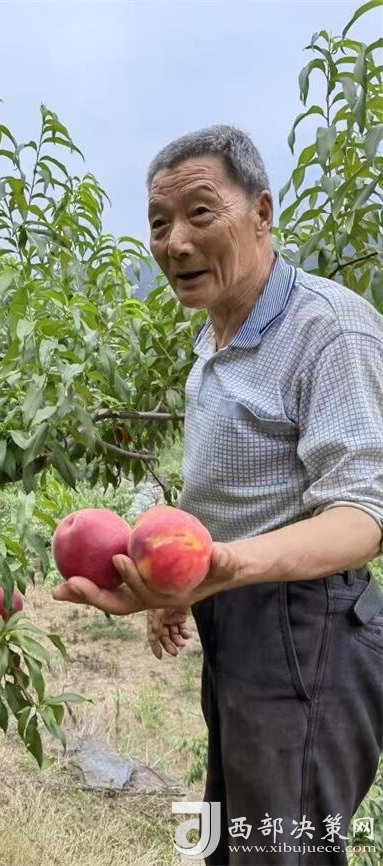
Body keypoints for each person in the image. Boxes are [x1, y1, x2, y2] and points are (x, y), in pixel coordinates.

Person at [53, 125, 383, 866]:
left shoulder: (328, 330)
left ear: (262, 213)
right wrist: (179, 585)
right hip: (237, 622)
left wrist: (224, 565)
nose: (175, 242)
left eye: (200, 213)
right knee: (231, 838)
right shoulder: (212, 342)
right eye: (159, 223)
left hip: (309, 630)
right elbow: (225, 494)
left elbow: (363, 517)